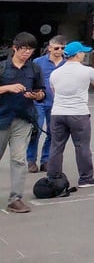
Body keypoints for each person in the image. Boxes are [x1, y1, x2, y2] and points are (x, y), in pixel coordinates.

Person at [47, 41, 94, 189]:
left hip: (58, 113)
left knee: (56, 146)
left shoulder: (55, 73)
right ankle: (85, 178)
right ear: (77, 54)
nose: (84, 55)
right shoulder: (87, 71)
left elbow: (53, 91)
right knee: (82, 146)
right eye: (82, 52)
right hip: (78, 113)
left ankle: (53, 177)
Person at [0, 32, 46, 213]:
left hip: (24, 119)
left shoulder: (34, 69)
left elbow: (42, 92)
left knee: (19, 159)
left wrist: (36, 95)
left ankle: (16, 198)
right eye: (24, 49)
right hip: (2, 118)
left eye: (30, 49)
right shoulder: (3, 67)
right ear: (15, 48)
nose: (27, 52)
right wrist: (7, 88)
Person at [26, 35, 66, 172]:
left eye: (62, 48)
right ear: (49, 48)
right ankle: (31, 159)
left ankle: (46, 160)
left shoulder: (66, 63)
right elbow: (30, 79)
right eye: (56, 48)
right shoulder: (38, 62)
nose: (59, 50)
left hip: (58, 103)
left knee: (53, 133)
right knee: (36, 131)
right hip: (39, 101)